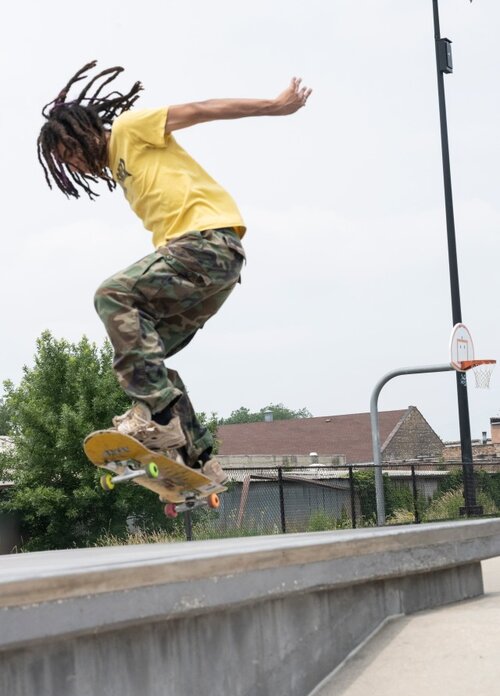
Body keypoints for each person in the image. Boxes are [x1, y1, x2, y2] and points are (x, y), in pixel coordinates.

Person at [37, 61, 312, 484]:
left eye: (71, 152)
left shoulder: (131, 128)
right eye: (67, 163)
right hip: (210, 272)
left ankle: (158, 417)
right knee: (145, 358)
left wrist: (274, 106)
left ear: (86, 131)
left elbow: (202, 109)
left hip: (206, 244)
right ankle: (198, 459)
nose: (75, 164)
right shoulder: (119, 167)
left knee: (112, 295)